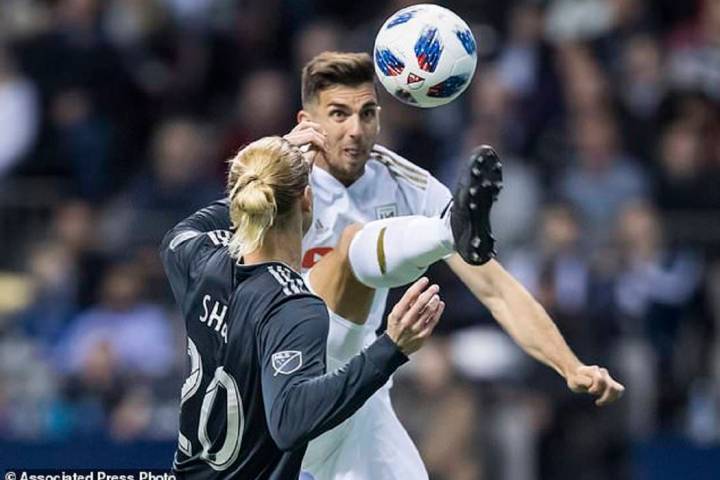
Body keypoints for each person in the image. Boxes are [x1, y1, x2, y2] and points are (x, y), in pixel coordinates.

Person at [278, 52, 626, 480]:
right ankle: (442, 233)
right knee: (355, 248)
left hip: (359, 389)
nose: (356, 129)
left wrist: (569, 366)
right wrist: (278, 175)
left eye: (367, 113)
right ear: (306, 120)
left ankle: (448, 230)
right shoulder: (275, 177)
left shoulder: (406, 183)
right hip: (281, 383)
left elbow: (496, 288)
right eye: (339, 114)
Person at [159, 136, 445, 479]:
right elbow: (291, 422)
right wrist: (391, 348)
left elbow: (177, 236)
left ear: (239, 204)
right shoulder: (293, 306)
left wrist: (263, 168)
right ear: (308, 200)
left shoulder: (202, 260)